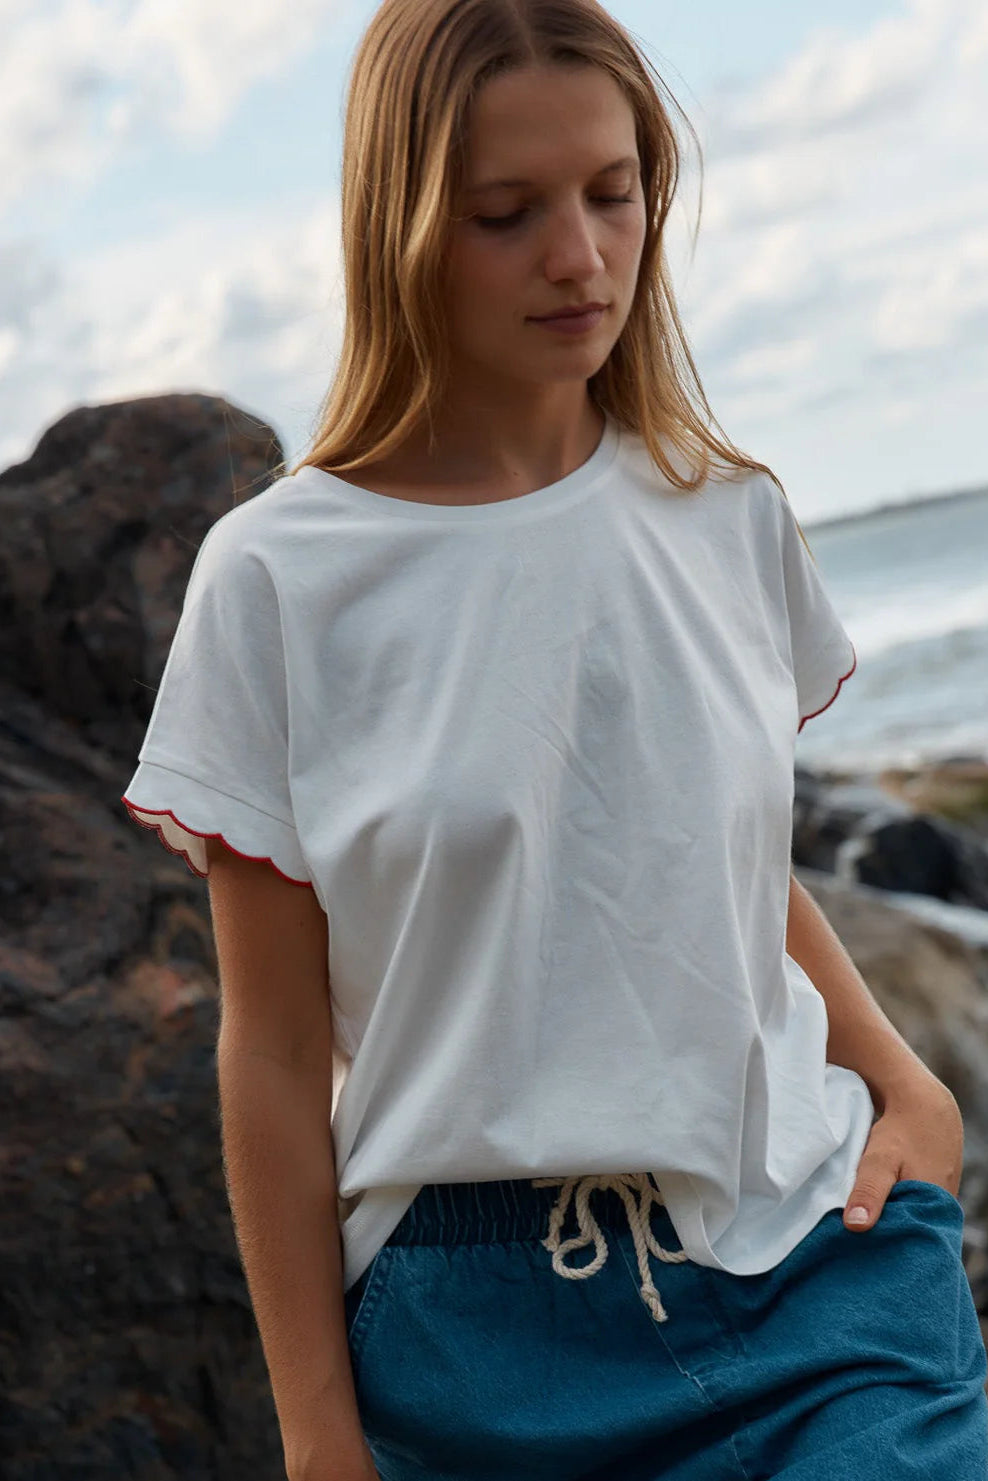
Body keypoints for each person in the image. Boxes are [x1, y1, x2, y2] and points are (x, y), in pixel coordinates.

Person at [120, 1, 988, 1478]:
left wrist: (909, 1083)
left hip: (813, 1255)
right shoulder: (275, 580)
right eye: (507, 214)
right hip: (477, 1342)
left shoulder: (729, 513)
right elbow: (267, 1052)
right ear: (401, 230)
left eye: (614, 191)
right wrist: (320, 1440)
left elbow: (724, 868)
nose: (582, 257)